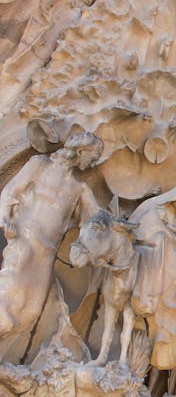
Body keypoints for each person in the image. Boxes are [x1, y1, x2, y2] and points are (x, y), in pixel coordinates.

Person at [0, 131, 102, 354]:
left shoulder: (79, 188)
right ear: (80, 151)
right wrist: (5, 219)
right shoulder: (40, 165)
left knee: (31, 311)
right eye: (91, 158)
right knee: (6, 299)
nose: (90, 165)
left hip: (46, 253)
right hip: (24, 238)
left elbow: (96, 220)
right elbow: (11, 190)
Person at [129, 184, 176, 374]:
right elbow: (145, 232)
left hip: (171, 261)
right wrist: (170, 236)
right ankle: (159, 300)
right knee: (162, 239)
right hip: (154, 255)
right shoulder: (155, 210)